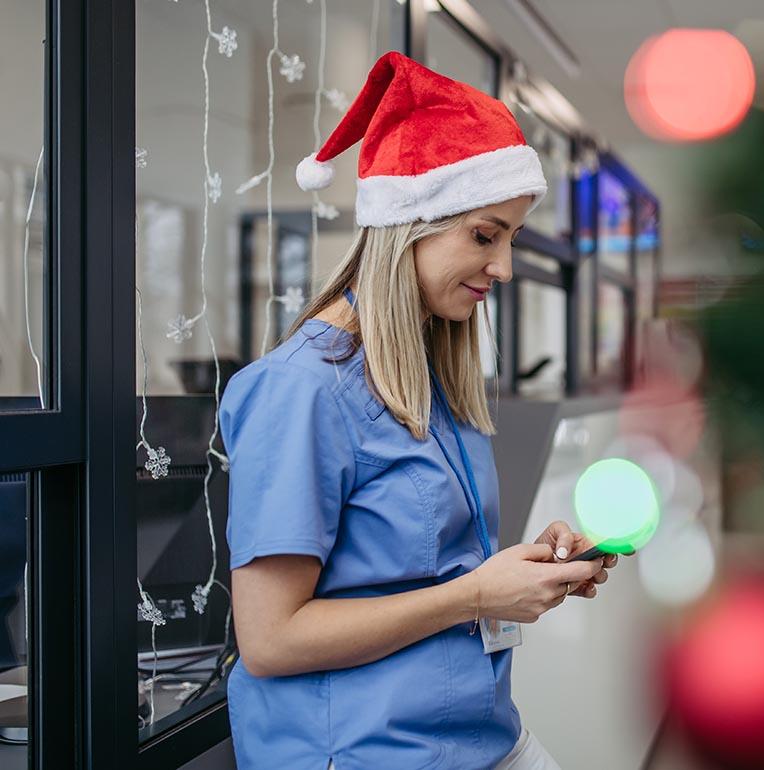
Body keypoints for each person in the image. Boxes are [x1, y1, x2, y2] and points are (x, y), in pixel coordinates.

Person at [220, 51, 619, 770]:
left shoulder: (430, 373)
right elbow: (271, 641)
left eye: (511, 239)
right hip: (366, 751)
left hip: (478, 733)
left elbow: (423, 563)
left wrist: (524, 570)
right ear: (409, 224)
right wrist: (474, 595)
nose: (502, 268)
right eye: (484, 235)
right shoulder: (300, 390)